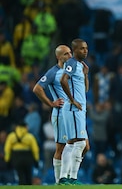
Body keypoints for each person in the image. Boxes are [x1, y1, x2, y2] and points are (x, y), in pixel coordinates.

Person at [32, 45, 72, 184]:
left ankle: (66, 178)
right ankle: (59, 181)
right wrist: (50, 103)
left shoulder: (70, 71)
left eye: (70, 53)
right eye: (66, 54)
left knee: (78, 146)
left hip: (71, 114)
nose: (70, 56)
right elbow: (37, 88)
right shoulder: (53, 72)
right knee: (61, 147)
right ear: (59, 57)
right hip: (60, 114)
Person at [59, 39, 89, 185]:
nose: (85, 51)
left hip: (77, 108)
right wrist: (72, 100)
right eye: (82, 48)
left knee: (71, 144)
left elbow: (85, 89)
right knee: (81, 144)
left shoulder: (79, 66)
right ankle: (72, 178)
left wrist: (86, 74)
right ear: (75, 50)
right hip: (73, 108)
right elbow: (63, 80)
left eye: (86, 48)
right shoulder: (71, 63)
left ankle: (64, 178)